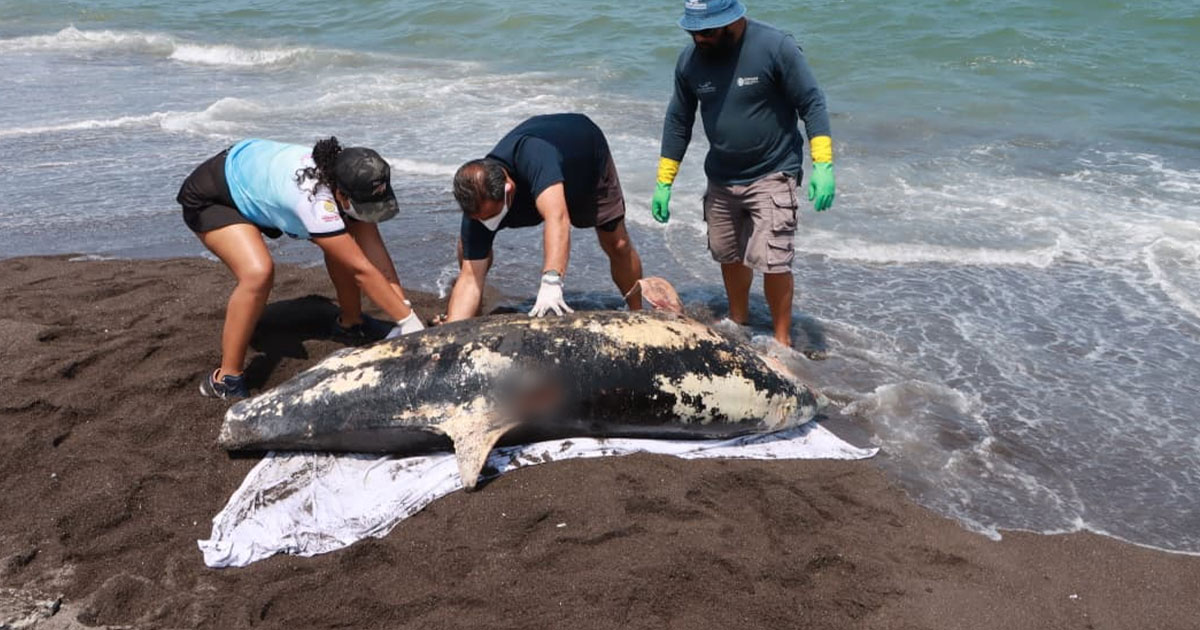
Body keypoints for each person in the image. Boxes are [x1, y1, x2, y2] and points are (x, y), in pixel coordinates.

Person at [177, 137, 425, 400]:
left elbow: (378, 262)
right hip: (215, 195)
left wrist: (405, 313)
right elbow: (361, 270)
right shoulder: (314, 199)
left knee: (345, 244)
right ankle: (226, 378)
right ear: (340, 194)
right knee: (258, 273)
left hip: (256, 177)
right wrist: (409, 322)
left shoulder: (351, 179)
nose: (370, 211)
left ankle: (351, 324)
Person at [652, 0, 836, 347]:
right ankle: (740, 322)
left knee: (773, 259)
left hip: (773, 170)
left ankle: (783, 343)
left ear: (732, 22)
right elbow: (678, 121)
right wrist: (664, 182)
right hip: (721, 176)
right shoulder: (689, 62)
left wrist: (822, 164)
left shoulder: (775, 46)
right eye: (692, 29)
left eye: (706, 30)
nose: (698, 37)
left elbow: (812, 101)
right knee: (729, 253)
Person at [445, 113, 643, 322]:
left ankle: (638, 313)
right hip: (540, 175)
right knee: (470, 246)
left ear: (508, 189)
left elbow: (557, 219)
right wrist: (450, 332)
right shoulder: (478, 198)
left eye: (492, 216)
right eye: (480, 218)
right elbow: (469, 277)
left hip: (585, 160)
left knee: (617, 243)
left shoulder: (534, 156)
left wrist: (551, 281)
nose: (486, 222)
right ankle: (473, 316)